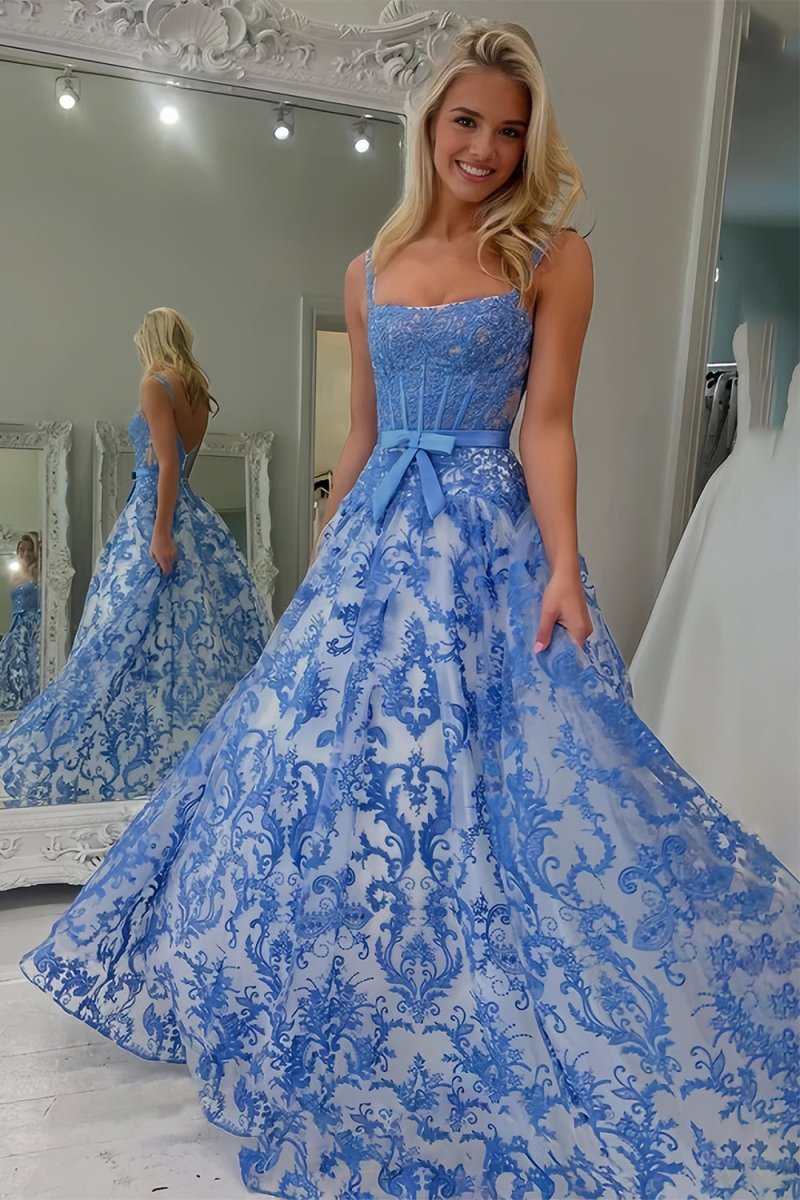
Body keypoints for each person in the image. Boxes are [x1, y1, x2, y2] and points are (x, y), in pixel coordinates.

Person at [20, 26, 799, 1198]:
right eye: (465, 122)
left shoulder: (550, 258)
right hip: (375, 541)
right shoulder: (370, 268)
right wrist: (326, 556)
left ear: (527, 143)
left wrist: (561, 566)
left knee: (494, 772)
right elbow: (364, 435)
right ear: (428, 125)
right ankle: (339, 976)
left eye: (508, 131)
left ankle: (480, 975)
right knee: (320, 768)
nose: (483, 148)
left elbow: (546, 425)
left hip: (485, 540)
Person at [0, 308, 271, 805]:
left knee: (115, 636)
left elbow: (168, 465)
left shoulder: (156, 383)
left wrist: (160, 532)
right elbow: (182, 466)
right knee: (175, 640)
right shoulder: (198, 393)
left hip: (155, 511)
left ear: (150, 340)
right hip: (190, 513)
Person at [0, 533, 41, 710]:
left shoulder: (38, 574)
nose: (25, 554)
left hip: (31, 623)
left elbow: (44, 600)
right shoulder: (14, 575)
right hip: (15, 624)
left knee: (27, 662)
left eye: (30, 550)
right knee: (8, 662)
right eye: (22, 550)